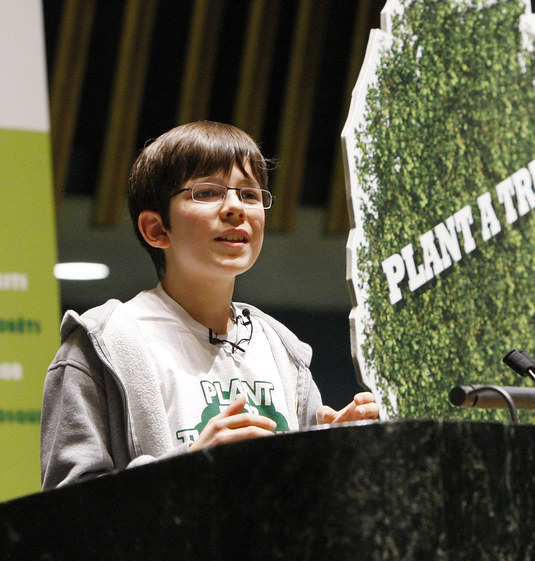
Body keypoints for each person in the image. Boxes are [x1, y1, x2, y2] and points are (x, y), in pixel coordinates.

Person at [40, 121, 377, 489]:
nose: (235, 208)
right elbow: (64, 518)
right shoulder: (101, 345)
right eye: (207, 192)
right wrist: (189, 470)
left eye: (249, 195)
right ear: (156, 229)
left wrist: (336, 448)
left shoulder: (283, 350)